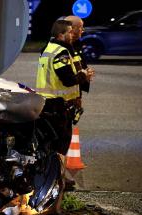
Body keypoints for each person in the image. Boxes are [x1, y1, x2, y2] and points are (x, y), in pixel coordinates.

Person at [35, 19, 93, 156]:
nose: (72, 35)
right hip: (57, 106)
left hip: (47, 103)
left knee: (50, 145)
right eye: (70, 32)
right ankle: (57, 175)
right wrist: (84, 75)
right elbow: (68, 80)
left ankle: (53, 174)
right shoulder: (61, 53)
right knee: (60, 147)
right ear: (61, 35)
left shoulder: (48, 48)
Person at [64, 15, 95, 124]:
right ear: (72, 29)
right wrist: (84, 75)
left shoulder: (75, 45)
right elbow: (66, 76)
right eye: (81, 27)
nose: (83, 30)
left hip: (73, 96)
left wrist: (86, 72)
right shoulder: (62, 48)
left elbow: (78, 67)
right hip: (62, 101)